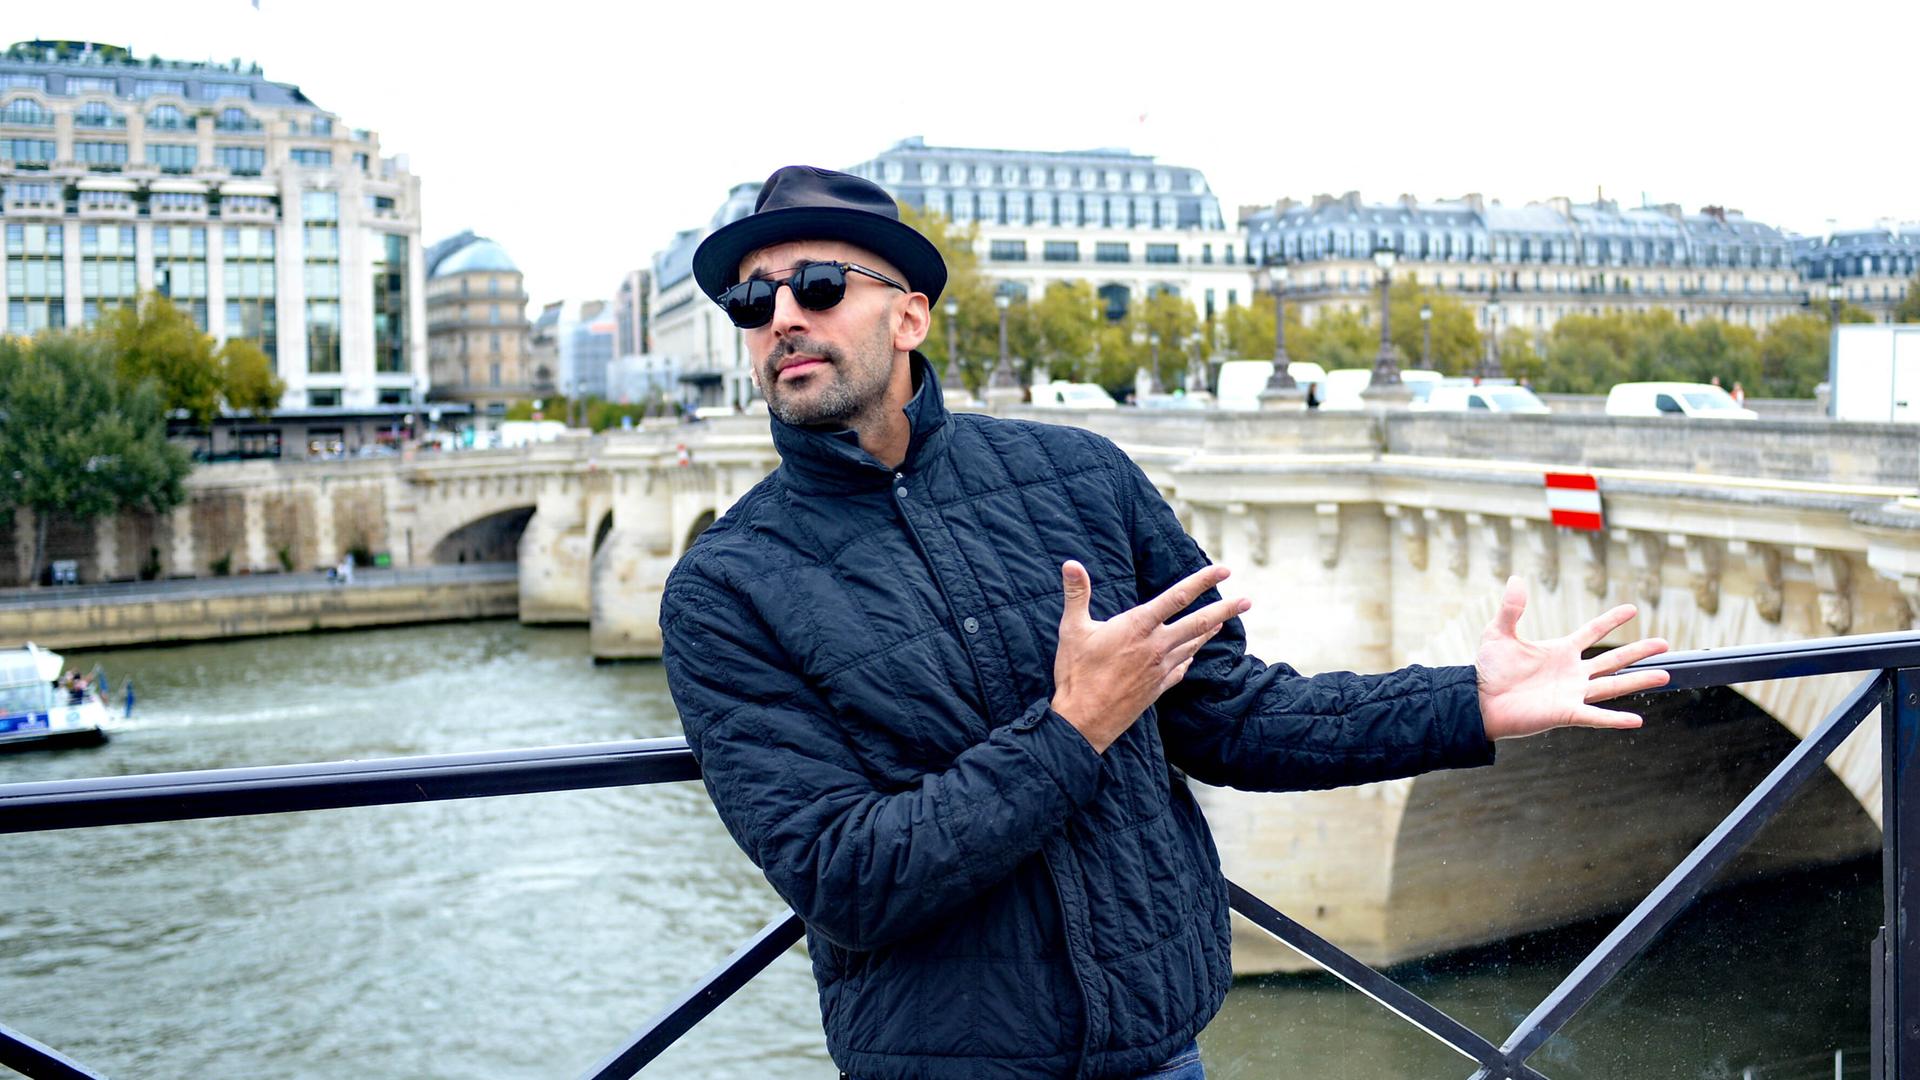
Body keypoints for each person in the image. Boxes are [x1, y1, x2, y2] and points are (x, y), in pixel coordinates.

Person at [659, 166, 1670, 1080]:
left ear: (911, 317)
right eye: (752, 301)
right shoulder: (726, 587)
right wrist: (1073, 729)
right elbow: (848, 877)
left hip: (1160, 1048)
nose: (781, 317)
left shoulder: (1081, 477)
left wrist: (1467, 703)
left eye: (819, 286)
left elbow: (1232, 718)